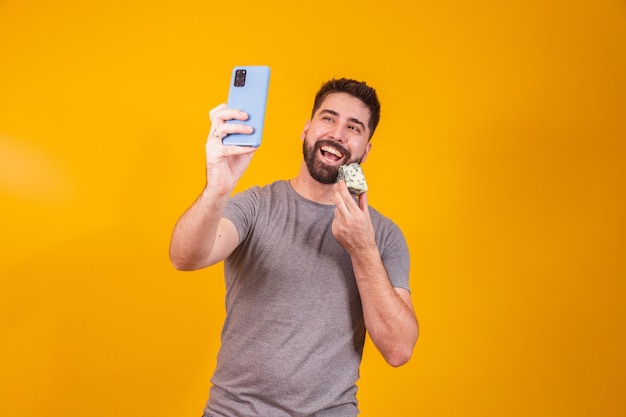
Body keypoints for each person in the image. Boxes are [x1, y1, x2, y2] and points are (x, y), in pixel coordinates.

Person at [169, 78, 419, 417]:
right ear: (307, 128)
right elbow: (185, 257)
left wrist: (362, 250)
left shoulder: (384, 236)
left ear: (366, 149)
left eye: (354, 127)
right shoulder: (256, 206)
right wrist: (217, 187)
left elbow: (399, 349)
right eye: (328, 118)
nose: (337, 133)